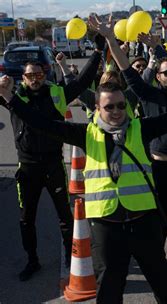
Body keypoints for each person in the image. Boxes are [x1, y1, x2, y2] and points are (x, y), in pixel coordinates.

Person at [0, 63, 167, 302]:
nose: (116, 111)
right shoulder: (85, 134)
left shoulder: (139, 129)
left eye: (121, 105)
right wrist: (9, 97)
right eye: (109, 106)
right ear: (97, 108)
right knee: (110, 292)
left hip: (143, 222)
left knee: (164, 288)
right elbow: (41, 123)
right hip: (107, 227)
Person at [89, 12, 167, 269]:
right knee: (160, 216)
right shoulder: (147, 94)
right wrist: (111, 38)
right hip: (159, 167)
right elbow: (125, 68)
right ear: (157, 76)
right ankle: (157, 257)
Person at [0, 36, 102, 281]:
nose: (34, 79)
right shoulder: (12, 97)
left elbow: (82, 82)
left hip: (54, 164)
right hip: (27, 168)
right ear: (22, 78)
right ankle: (32, 260)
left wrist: (99, 51)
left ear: (44, 74)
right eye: (29, 76)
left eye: (38, 74)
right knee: (27, 219)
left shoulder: (57, 93)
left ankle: (70, 257)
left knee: (65, 218)